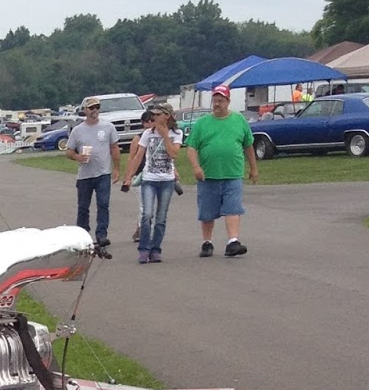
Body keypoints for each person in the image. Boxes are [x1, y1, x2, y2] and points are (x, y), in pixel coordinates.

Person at [184, 84, 258, 257]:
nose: (217, 104)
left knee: (233, 208)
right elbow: (191, 148)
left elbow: (248, 145)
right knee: (207, 211)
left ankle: (233, 241)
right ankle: (207, 242)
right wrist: (196, 166)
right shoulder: (202, 123)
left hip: (233, 173)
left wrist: (254, 168)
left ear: (228, 101)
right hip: (208, 175)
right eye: (215, 100)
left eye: (221, 101)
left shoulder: (239, 120)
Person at [120, 103, 183, 262]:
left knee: (161, 217)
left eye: (157, 115)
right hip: (149, 179)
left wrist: (165, 136)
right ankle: (144, 248)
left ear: (166, 116)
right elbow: (138, 156)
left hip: (166, 180)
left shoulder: (177, 133)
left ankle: (155, 249)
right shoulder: (148, 133)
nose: (153, 117)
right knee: (147, 214)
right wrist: (129, 176)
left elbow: (173, 154)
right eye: (152, 115)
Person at [65, 98, 121, 255]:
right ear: (85, 110)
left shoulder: (108, 127)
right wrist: (78, 157)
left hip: (103, 173)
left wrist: (117, 169)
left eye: (96, 107)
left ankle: (101, 235)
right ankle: (82, 235)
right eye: (91, 108)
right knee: (83, 207)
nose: (94, 110)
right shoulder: (78, 131)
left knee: (103, 204)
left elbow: (114, 148)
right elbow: (68, 151)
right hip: (85, 175)